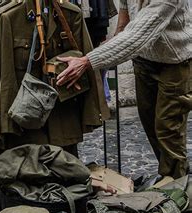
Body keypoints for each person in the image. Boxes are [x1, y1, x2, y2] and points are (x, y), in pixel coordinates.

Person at [57, 0, 191, 179]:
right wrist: (104, 56)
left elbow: (138, 35)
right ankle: (173, 175)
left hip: (175, 64)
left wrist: (88, 61)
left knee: (167, 129)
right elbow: (123, 26)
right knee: (150, 125)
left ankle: (177, 186)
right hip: (144, 62)